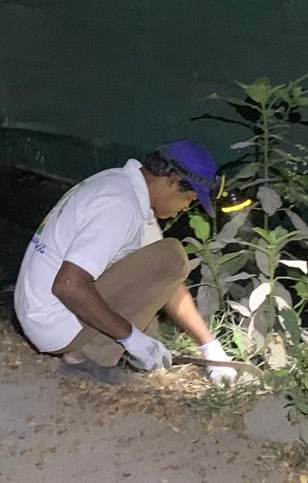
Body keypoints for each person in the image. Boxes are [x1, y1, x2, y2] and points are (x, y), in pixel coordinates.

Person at [14, 141, 238, 385]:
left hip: (39, 312)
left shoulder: (121, 184)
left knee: (159, 275)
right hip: (54, 323)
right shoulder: (120, 207)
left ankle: (110, 345)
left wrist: (210, 347)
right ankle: (86, 359)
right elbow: (68, 285)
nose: (185, 208)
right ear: (173, 180)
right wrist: (131, 338)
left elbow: (169, 284)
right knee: (172, 257)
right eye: (189, 199)